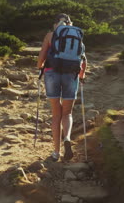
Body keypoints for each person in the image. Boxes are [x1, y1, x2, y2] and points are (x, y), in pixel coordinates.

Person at [36, 13, 87, 162]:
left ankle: (56, 153)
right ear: (70, 24)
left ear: (55, 24)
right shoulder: (77, 38)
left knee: (56, 115)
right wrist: (82, 77)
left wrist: (39, 68)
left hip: (52, 74)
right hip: (71, 75)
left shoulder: (50, 35)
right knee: (67, 113)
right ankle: (67, 138)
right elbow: (83, 62)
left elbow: (41, 57)